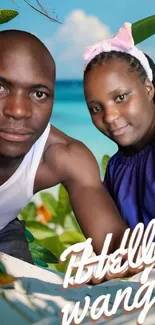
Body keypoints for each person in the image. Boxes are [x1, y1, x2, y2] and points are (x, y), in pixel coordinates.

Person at [0, 29, 127, 264]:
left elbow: (119, 254)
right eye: (1, 88)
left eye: (39, 94)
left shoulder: (61, 155)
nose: (18, 110)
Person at [83, 22, 155, 231]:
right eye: (96, 108)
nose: (110, 116)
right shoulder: (116, 168)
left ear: (148, 89)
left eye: (121, 97)